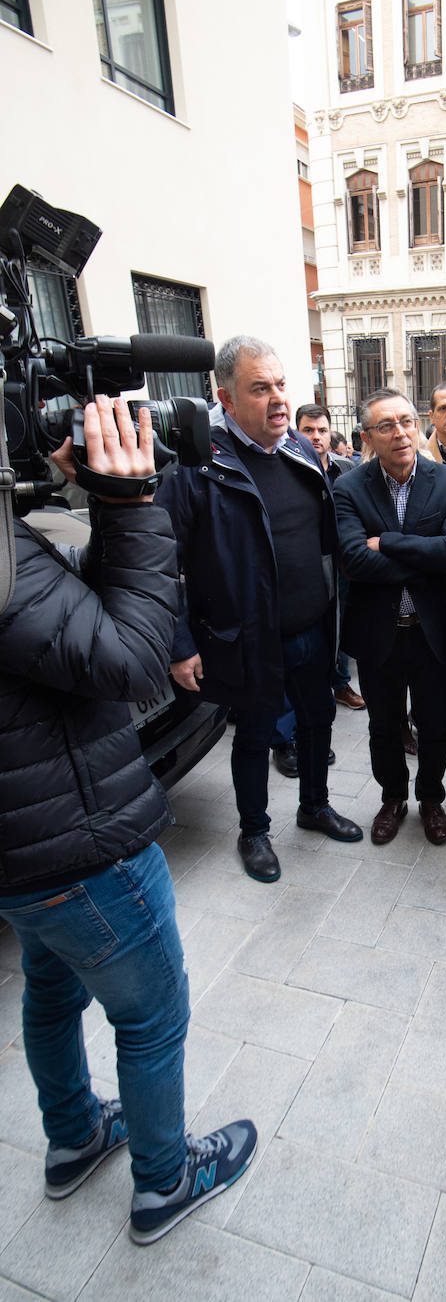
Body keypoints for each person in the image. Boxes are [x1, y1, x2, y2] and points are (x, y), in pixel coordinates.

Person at [0, 396, 256, 1245]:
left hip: (25, 850)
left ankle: (74, 1137)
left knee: (51, 990)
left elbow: (59, 628)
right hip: (82, 843)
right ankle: (164, 1180)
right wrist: (129, 504)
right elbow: (133, 661)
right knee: (151, 1016)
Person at [157, 335, 362, 885]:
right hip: (246, 639)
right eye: (259, 388)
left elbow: (320, 539)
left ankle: (314, 807)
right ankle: (254, 831)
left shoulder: (300, 449)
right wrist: (179, 645)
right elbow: (160, 566)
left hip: (312, 630)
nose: (276, 399)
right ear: (225, 398)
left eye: (279, 385)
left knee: (318, 723)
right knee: (254, 736)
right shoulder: (195, 469)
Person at [334, 389, 446, 845]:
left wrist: (388, 543)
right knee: (383, 727)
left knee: (434, 725)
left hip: (432, 634)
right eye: (386, 426)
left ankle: (431, 799)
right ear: (367, 436)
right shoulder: (349, 487)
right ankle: (392, 798)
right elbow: (354, 560)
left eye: (407, 421)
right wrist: (428, 558)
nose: (400, 433)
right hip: (379, 635)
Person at [295, 403, 365, 712]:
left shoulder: (346, 469)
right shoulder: (289, 468)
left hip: (343, 562)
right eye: (307, 430)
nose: (315, 437)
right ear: (295, 431)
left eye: (322, 430)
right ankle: (313, 687)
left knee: (342, 621)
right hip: (305, 565)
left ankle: (339, 683)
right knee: (312, 626)